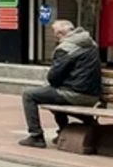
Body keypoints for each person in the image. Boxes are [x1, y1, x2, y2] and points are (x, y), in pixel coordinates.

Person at [19, 19, 103, 148]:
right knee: (53, 95)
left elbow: (54, 78)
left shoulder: (65, 48)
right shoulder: (91, 43)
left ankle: (36, 136)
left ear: (60, 34)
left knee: (29, 95)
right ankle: (68, 130)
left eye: (55, 34)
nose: (55, 38)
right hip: (93, 96)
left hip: (74, 94)